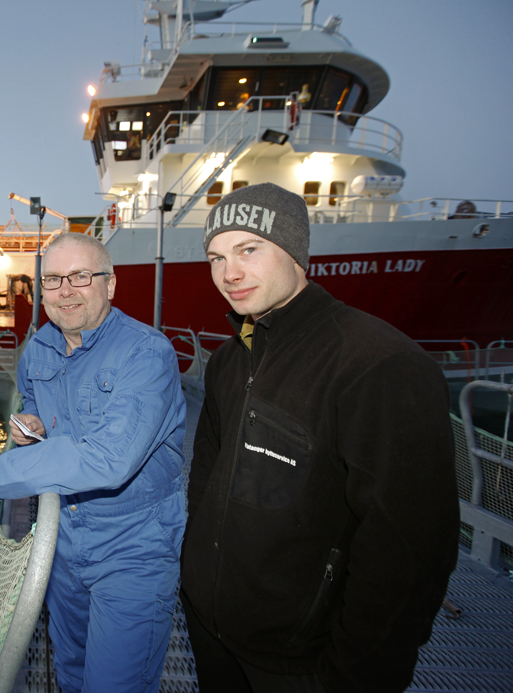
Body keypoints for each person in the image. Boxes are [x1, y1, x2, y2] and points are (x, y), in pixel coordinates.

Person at [182, 182, 459, 692]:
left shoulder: (378, 365)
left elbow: (409, 553)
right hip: (211, 633)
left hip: (299, 662)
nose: (229, 274)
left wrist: (358, 677)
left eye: (249, 249)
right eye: (216, 257)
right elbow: (206, 479)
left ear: (295, 251)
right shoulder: (227, 361)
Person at [0, 232, 187, 693]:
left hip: (133, 547)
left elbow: (109, 458)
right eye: (53, 279)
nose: (65, 291)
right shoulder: (38, 349)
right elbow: (35, 404)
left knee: (117, 685)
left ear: (110, 284)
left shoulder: (147, 353)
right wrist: (29, 424)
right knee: (71, 671)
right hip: (61, 540)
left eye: (81, 276)